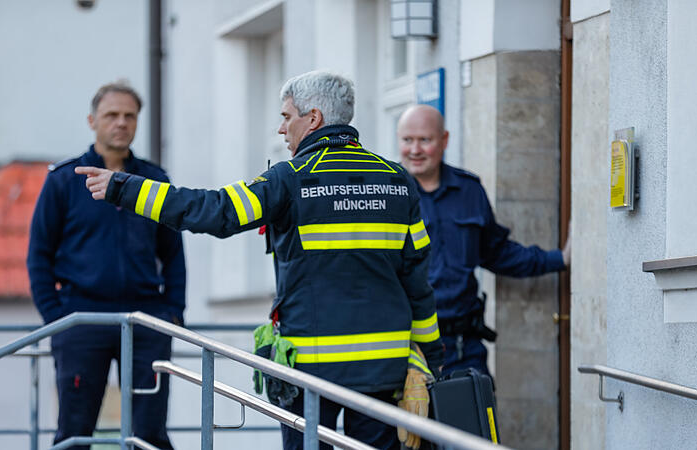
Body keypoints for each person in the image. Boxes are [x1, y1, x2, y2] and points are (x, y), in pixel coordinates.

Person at [76, 71, 443, 450]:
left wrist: (126, 187)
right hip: (384, 366)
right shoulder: (397, 181)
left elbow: (215, 211)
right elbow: (417, 282)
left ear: (313, 119)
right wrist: (429, 361)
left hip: (312, 370)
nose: (282, 129)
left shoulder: (291, 178)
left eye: (287, 117)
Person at [27, 81, 186, 449]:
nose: (121, 123)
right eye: (111, 115)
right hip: (81, 320)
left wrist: (173, 313)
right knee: (74, 433)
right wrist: (56, 318)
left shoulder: (154, 179)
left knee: (149, 435)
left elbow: (173, 254)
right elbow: (39, 254)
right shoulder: (65, 180)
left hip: (146, 320)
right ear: (92, 121)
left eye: (130, 115)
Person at [396, 104, 570, 380]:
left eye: (424, 140)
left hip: (464, 345)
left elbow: (497, 252)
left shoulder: (469, 190)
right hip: (407, 347)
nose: (415, 150)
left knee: (474, 421)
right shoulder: (390, 194)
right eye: (407, 140)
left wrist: (558, 259)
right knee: (409, 424)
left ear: (444, 140)